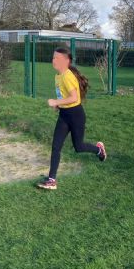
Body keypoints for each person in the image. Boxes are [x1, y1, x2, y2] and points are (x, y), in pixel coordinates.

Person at [37, 47, 106, 190]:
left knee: (79, 147)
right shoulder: (58, 76)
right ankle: (52, 180)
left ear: (66, 61)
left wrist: (56, 102)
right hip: (64, 115)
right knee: (56, 146)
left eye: (57, 58)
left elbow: (75, 98)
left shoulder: (67, 76)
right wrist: (59, 105)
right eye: (53, 57)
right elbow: (64, 95)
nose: (53, 60)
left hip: (76, 115)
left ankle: (99, 150)